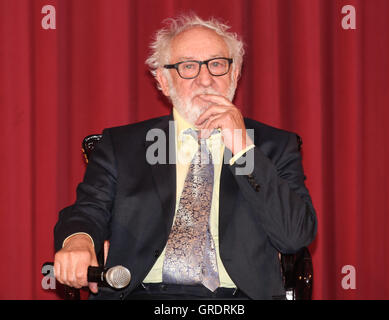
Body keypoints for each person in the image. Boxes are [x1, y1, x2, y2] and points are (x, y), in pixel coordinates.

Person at [53, 14, 317, 300]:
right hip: (142, 294)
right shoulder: (122, 145)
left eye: (217, 64)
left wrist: (242, 147)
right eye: (188, 67)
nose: (205, 79)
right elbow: (89, 209)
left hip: (236, 299)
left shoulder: (274, 146)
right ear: (164, 81)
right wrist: (78, 241)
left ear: (235, 73)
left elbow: (294, 236)